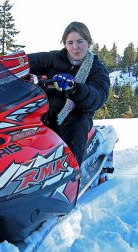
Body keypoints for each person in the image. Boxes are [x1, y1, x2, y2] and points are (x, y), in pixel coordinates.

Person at [27, 21, 110, 165]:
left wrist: (75, 88)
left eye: (80, 41)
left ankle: (71, 176)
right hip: (46, 111)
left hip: (76, 116)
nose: (75, 47)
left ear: (88, 42)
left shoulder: (97, 69)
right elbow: (24, 62)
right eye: (70, 42)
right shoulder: (53, 58)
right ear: (64, 44)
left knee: (76, 127)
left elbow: (97, 97)